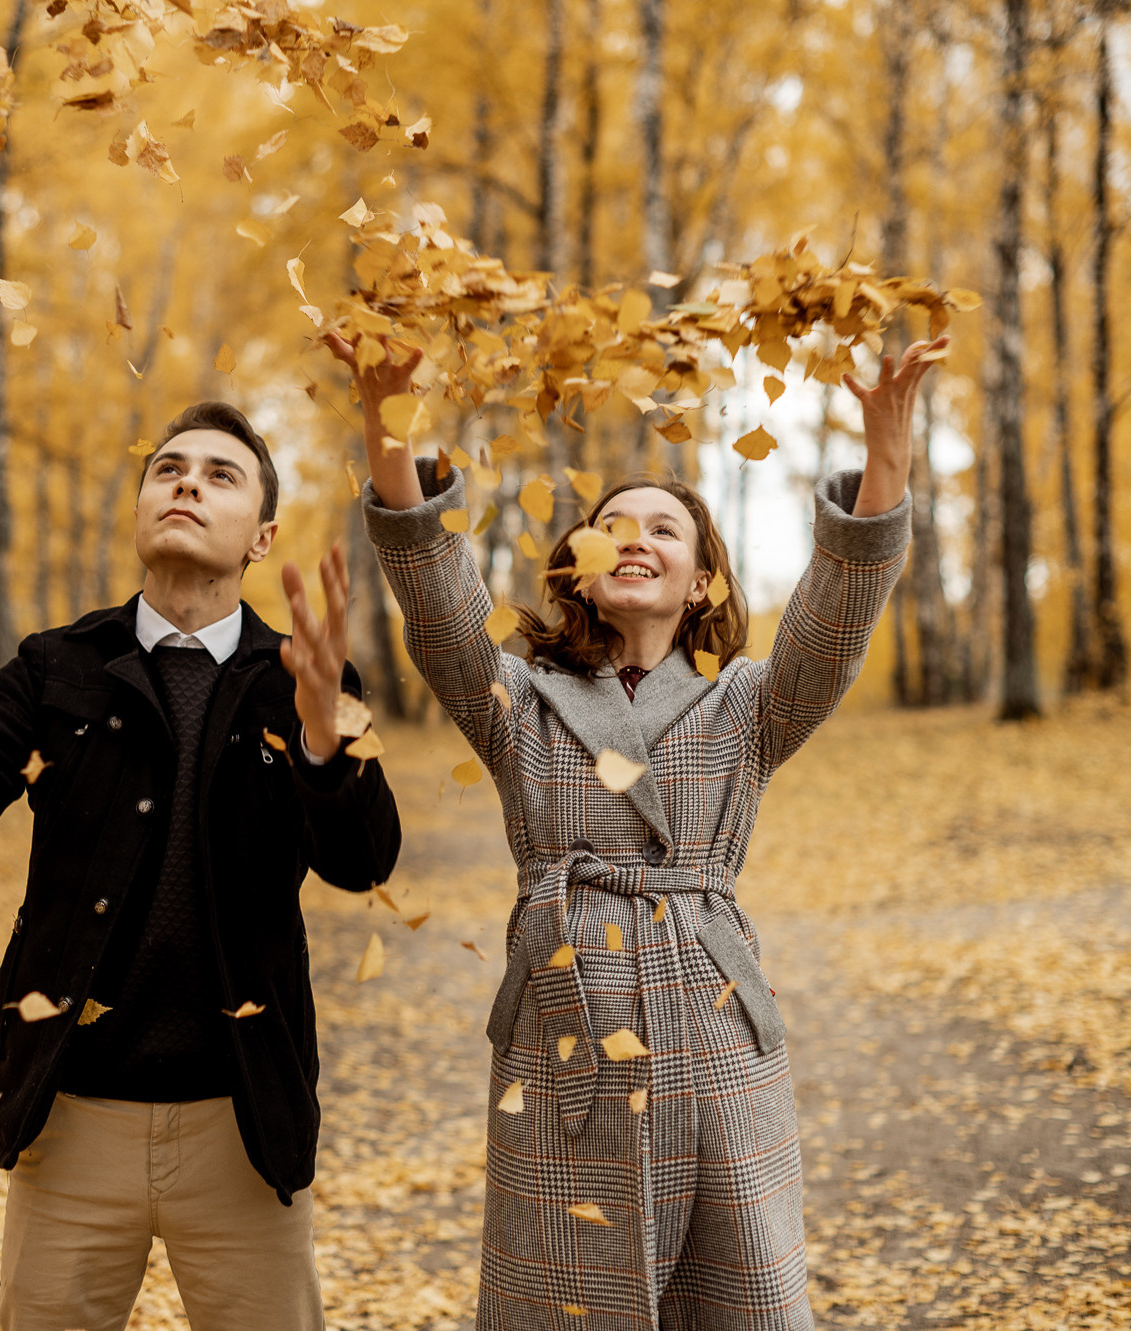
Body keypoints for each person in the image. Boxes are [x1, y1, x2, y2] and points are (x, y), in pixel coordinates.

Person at [332, 330, 947, 1328]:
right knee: (570, 1294)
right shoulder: (518, 702)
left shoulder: (747, 702)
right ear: (573, 568)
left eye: (664, 529)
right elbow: (439, 612)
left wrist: (885, 451)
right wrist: (386, 425)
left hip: (713, 1024)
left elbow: (832, 623)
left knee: (733, 1294)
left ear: (700, 581)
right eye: (608, 523)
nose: (632, 536)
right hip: (565, 1027)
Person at [0, 400, 402, 1331]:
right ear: (143, 504)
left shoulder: (301, 677)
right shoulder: (57, 666)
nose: (187, 481)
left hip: (245, 1125)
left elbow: (362, 861)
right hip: (72, 1118)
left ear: (262, 536)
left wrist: (323, 737)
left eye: (221, 474)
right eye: (168, 468)